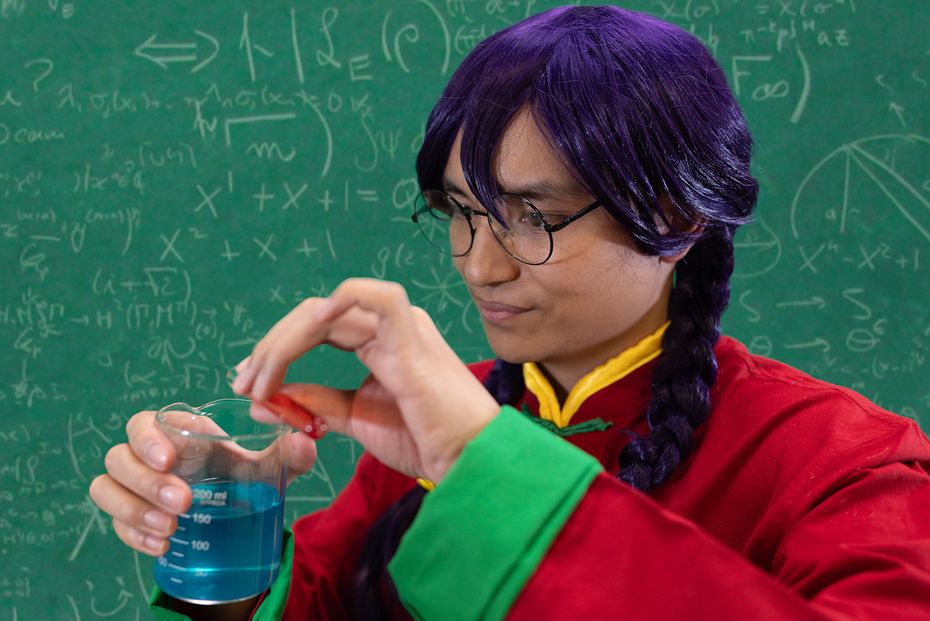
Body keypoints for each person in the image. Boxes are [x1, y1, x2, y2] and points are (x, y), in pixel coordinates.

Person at [88, 5, 930, 620]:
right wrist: (217, 545)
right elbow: (315, 600)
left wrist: (479, 461)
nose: (478, 264)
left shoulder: (848, 465)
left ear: (675, 220)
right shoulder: (421, 429)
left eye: (534, 216)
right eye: (460, 210)